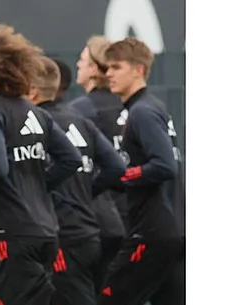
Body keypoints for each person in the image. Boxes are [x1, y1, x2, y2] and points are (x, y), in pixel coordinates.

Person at [0, 21, 82, 305]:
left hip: (13, 234)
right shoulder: (36, 112)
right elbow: (70, 159)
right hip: (44, 231)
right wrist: (34, 184)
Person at [27, 56, 126, 305]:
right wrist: (85, 192)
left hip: (64, 237)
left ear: (32, 89)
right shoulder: (79, 119)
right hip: (93, 234)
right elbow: (116, 166)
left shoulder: (36, 124)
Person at [98, 37, 185, 305]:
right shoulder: (151, 107)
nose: (108, 73)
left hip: (151, 231)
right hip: (170, 229)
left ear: (138, 69)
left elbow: (164, 166)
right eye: (107, 67)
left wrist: (124, 174)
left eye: (116, 67)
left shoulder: (143, 111)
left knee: (111, 299)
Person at [68, 35, 129, 291]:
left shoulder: (81, 109)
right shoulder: (131, 105)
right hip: (135, 219)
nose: (78, 66)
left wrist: (87, 190)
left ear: (94, 69)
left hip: (97, 222)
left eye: (82, 60)